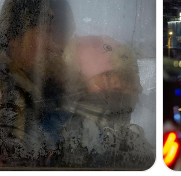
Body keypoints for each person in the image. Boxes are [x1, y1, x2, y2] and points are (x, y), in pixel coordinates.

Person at [0, 0, 74, 167]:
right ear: (14, 37)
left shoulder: (54, 91)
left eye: (63, 34)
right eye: (48, 32)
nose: (58, 45)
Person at [53, 36, 153, 168]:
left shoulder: (119, 131)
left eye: (129, 78)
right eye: (108, 76)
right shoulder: (73, 131)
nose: (137, 89)